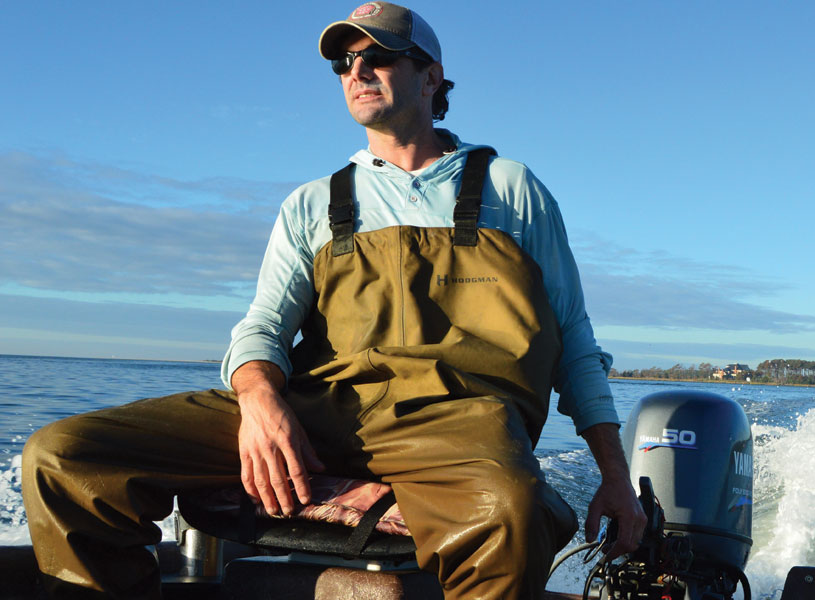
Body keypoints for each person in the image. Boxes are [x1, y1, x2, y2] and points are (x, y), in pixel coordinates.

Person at [21, 2, 644, 598]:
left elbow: (574, 338)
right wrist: (261, 399)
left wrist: (614, 477)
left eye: (379, 56)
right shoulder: (311, 205)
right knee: (65, 458)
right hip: (322, 408)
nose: (358, 72)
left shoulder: (512, 189)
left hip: (457, 422)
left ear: (431, 77)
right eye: (343, 63)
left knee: (509, 505)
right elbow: (262, 325)